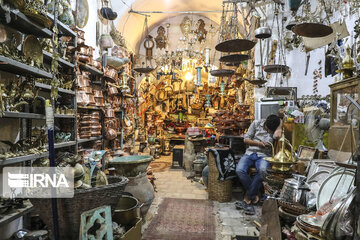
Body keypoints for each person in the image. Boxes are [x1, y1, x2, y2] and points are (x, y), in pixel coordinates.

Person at [235, 114, 282, 215]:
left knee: (263, 171)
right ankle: (255, 194)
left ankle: (248, 197)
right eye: (268, 130)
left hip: (264, 155)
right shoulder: (256, 124)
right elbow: (245, 139)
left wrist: (280, 124)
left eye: (271, 131)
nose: (269, 132)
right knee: (239, 170)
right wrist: (258, 144)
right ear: (265, 124)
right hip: (250, 152)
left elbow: (277, 136)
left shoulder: (275, 128)